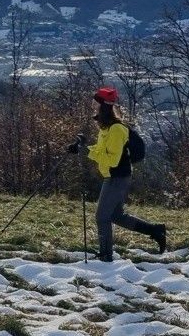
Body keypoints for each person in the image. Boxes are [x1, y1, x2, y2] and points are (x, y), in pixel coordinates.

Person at [69, 86, 166, 262]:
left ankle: (106, 255)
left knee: (102, 217)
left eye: (95, 102)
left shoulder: (116, 129)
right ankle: (155, 230)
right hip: (114, 176)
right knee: (116, 216)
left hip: (117, 177)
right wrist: (83, 147)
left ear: (103, 106)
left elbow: (112, 160)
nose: (92, 105)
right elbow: (102, 151)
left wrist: (88, 153)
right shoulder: (106, 127)